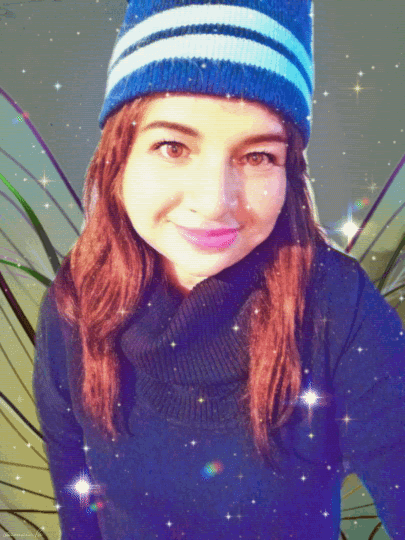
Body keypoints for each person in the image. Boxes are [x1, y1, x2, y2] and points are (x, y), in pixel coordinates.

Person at [33, 1, 405, 539]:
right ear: (119, 158)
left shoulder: (338, 310)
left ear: (290, 172)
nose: (214, 203)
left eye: (257, 157)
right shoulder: (76, 301)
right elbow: (78, 499)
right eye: (173, 146)